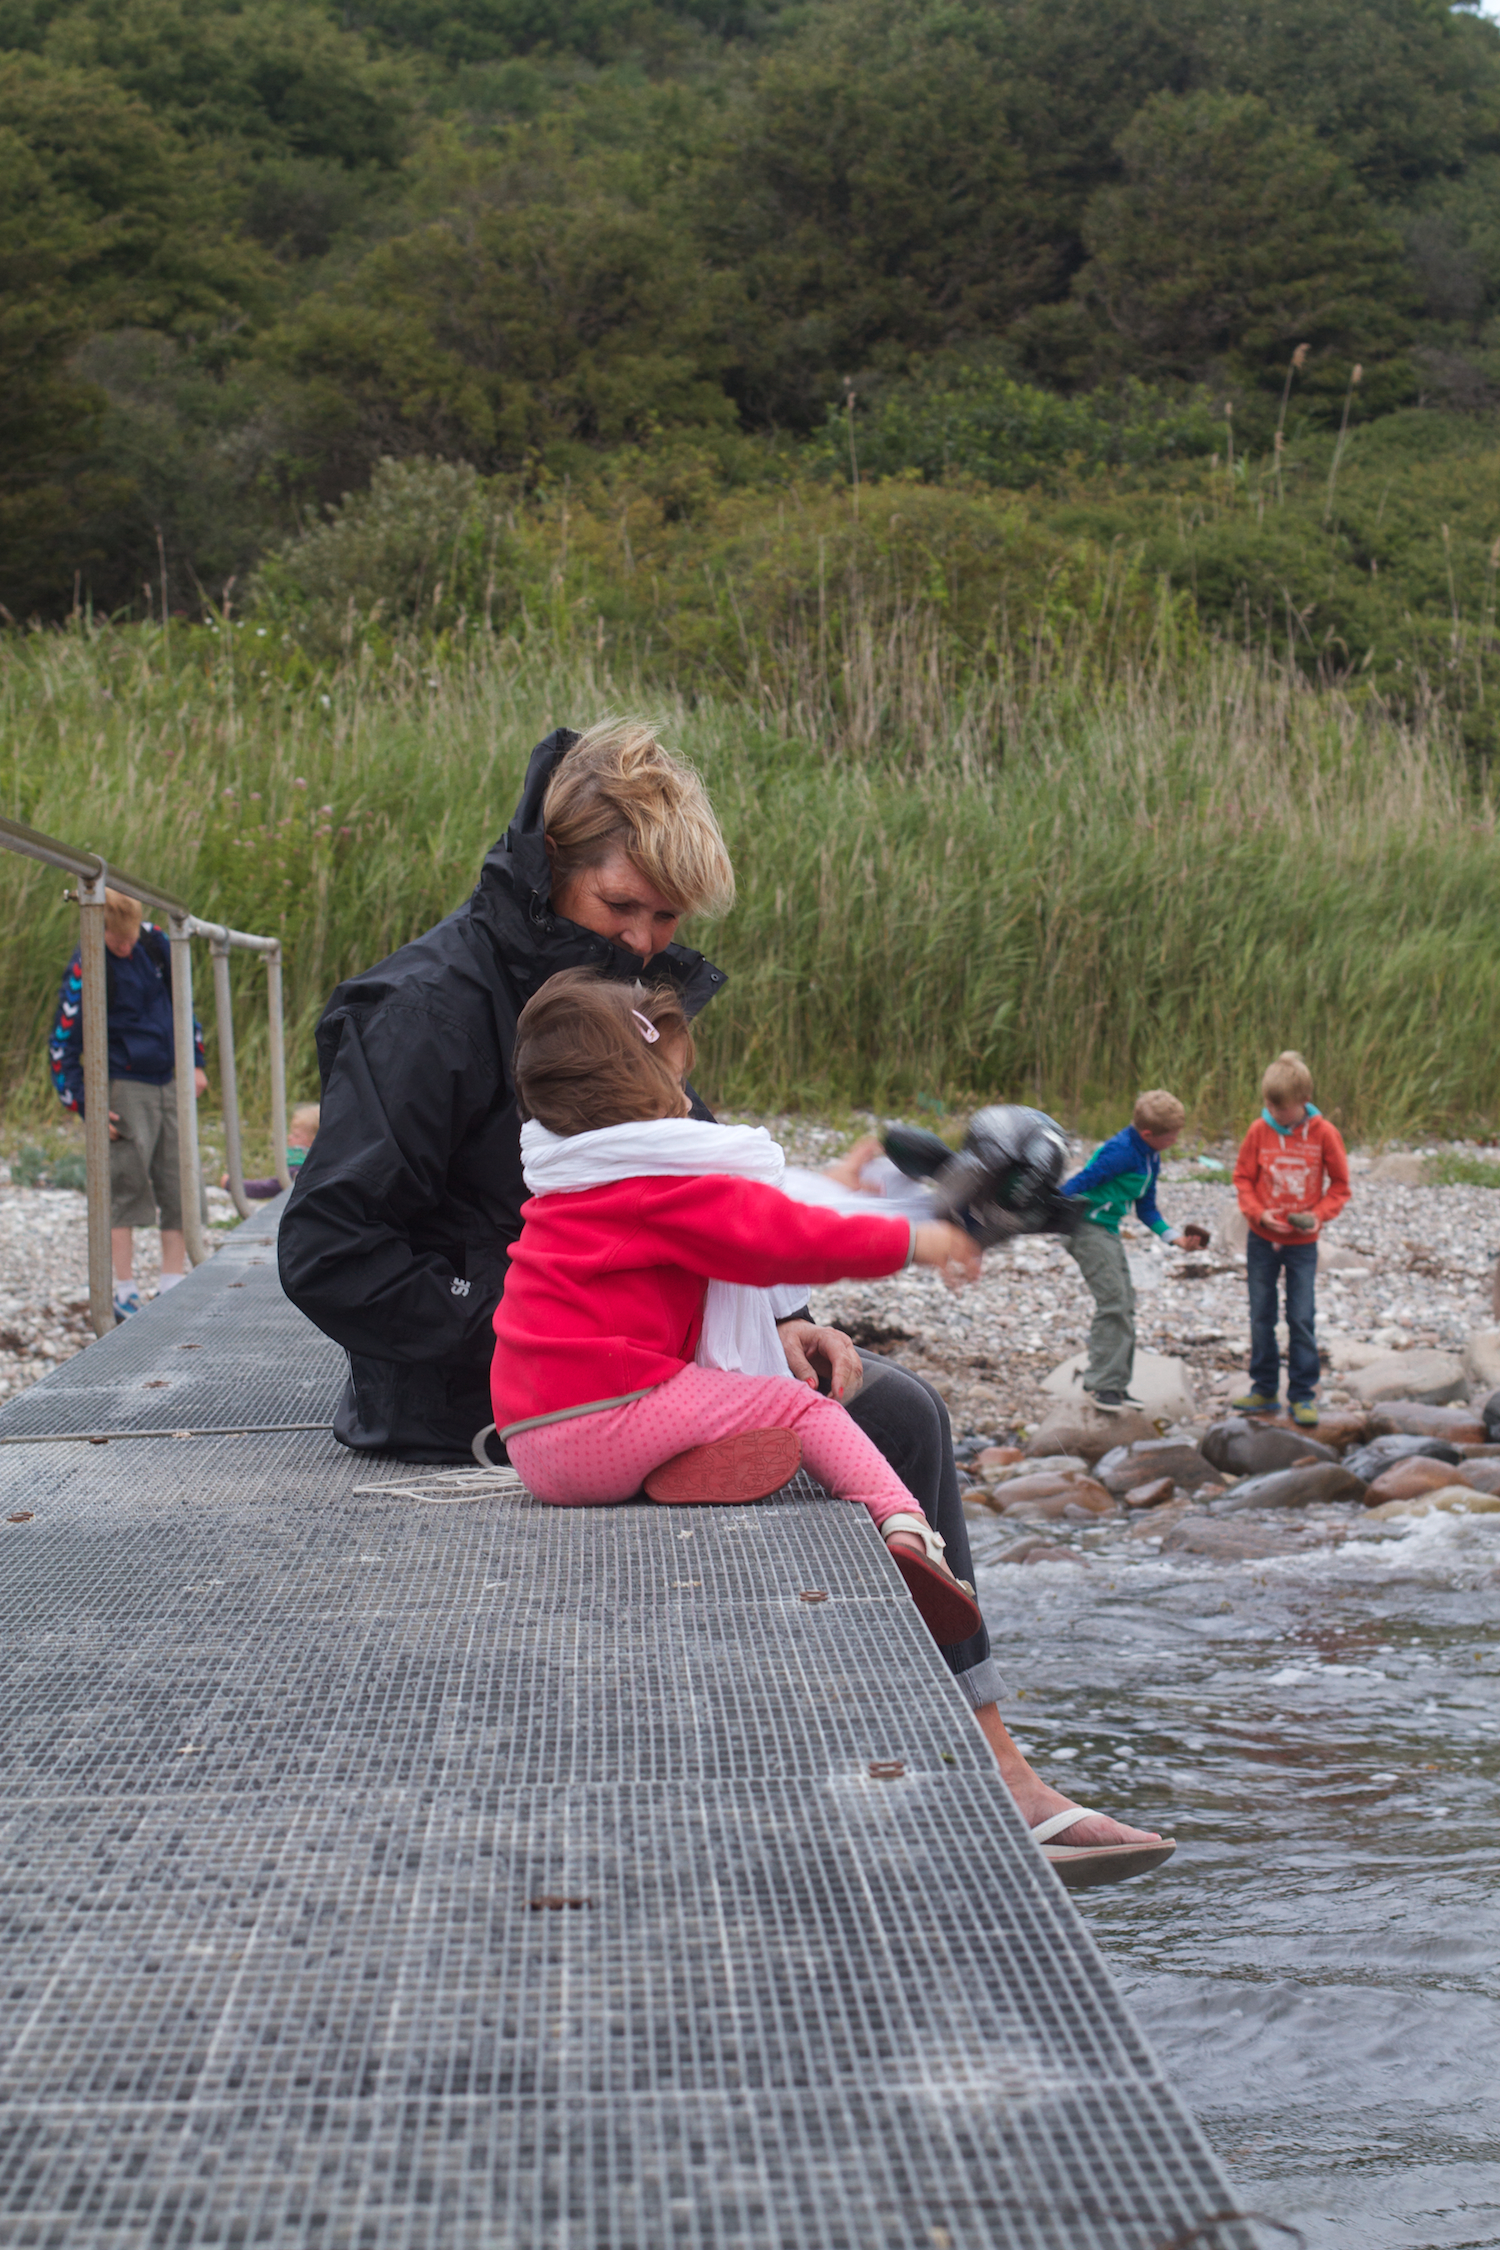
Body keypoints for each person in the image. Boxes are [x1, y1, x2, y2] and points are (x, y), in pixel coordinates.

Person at [280, 717, 1167, 1881]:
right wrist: (518, 1345)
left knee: (886, 1406)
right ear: (554, 867)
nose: (645, 942)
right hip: (482, 1402)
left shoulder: (621, 1006)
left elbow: (710, 1209)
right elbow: (327, 1246)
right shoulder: (430, 1007)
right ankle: (976, 1773)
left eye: (667, 920)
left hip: (629, 1370)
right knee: (885, 1425)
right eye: (622, 908)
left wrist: (786, 1313)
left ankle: (970, 1759)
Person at [495, 970, 987, 1639]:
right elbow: (783, 1236)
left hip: (533, 1444)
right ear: (645, 1092)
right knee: (800, 1408)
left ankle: (685, 1466)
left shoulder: (568, 1181)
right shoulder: (659, 1185)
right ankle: (906, 1530)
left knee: (709, 1398)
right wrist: (911, 1239)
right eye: (674, 1081)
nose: (684, 1100)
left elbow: (767, 1211)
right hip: (608, 1419)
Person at [49, 887, 208, 1318]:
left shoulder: (155, 943)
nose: (126, 945)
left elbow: (184, 1004)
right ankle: (123, 1290)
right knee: (125, 1183)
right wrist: (86, 1105)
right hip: (123, 1085)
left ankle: (172, 1281)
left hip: (168, 1078)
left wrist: (194, 1061)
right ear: (98, 930)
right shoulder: (86, 966)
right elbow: (62, 1043)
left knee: (179, 1179)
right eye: (117, 941)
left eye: (129, 937)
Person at [1058, 1090, 1200, 1408]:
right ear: (1149, 1133)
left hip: (1105, 1229)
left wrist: (1174, 1238)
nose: (1176, 1140)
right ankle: (1101, 1386)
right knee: (1114, 1303)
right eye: (1172, 1135)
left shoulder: (1151, 1156)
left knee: (1125, 1301)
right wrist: (1045, 1214)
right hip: (1084, 1228)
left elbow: (1146, 1208)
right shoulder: (1121, 1153)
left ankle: (1116, 1386)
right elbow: (1076, 1184)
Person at [1230, 1050, 1350, 1428]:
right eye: (1268, 1104)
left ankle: (1302, 1394)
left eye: (1279, 1108)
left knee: (1301, 1317)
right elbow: (1243, 1178)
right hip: (1261, 1238)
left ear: (1302, 1102)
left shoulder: (1324, 1133)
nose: (1272, 1113)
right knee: (1260, 1315)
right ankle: (1264, 1387)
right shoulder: (1258, 1131)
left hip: (1303, 1243)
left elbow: (1341, 1187)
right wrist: (1258, 1213)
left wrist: (1316, 1216)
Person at [230, 1102, 321, 1199]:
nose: (289, 1137)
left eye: (296, 1135)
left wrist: (232, 1185)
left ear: (314, 1142)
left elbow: (268, 1188)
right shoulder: (322, 1164)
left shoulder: (299, 1169)